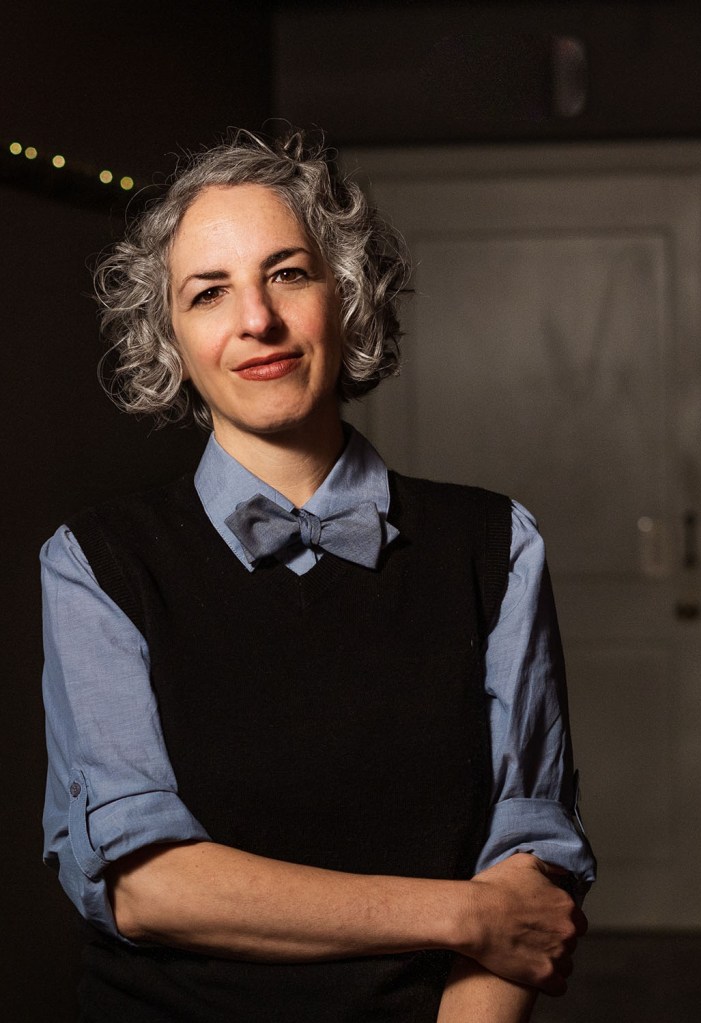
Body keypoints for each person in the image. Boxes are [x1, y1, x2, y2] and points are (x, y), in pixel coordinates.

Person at [40, 130, 595, 1023]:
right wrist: (458, 911)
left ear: (348, 295)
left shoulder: (495, 543)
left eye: (288, 274)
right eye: (208, 293)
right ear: (172, 340)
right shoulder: (96, 562)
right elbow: (148, 884)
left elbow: (529, 861)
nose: (255, 319)